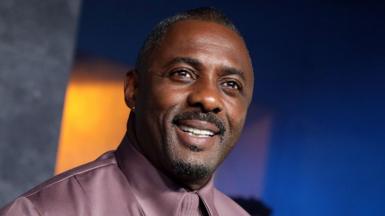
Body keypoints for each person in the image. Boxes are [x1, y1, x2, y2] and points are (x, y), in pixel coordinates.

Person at [0, 7, 254, 216]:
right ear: (133, 89)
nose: (209, 99)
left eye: (231, 85)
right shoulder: (40, 212)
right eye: (183, 73)